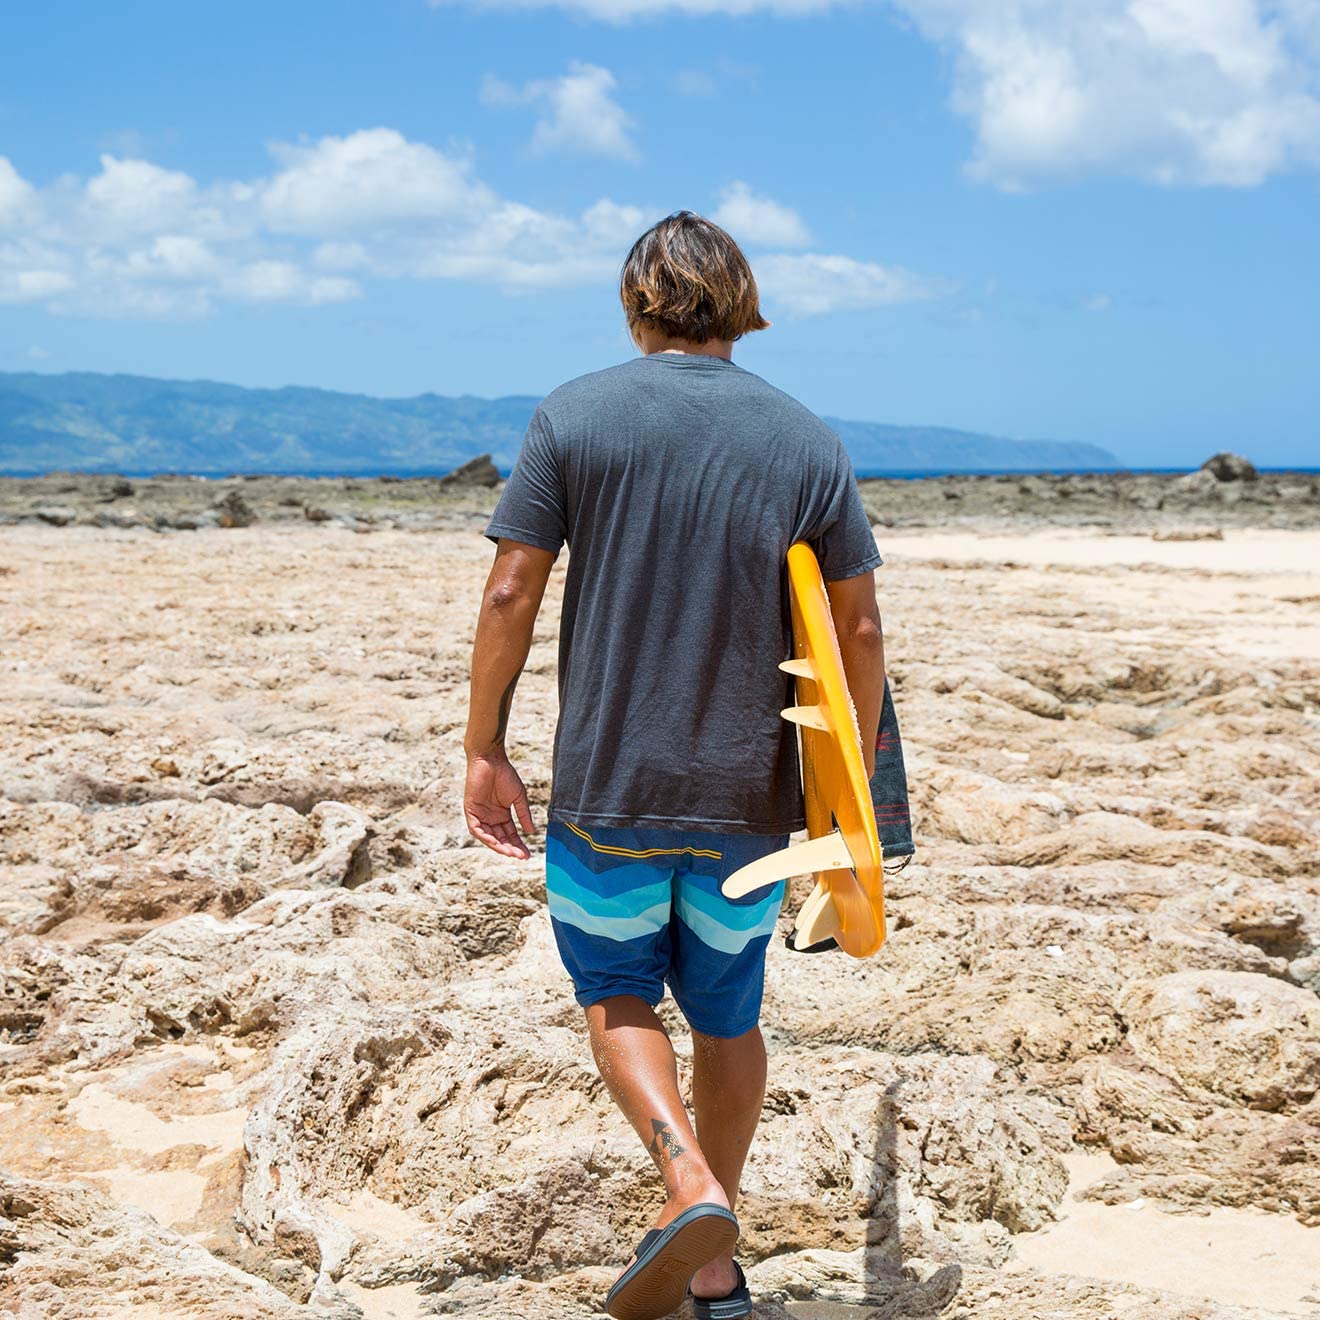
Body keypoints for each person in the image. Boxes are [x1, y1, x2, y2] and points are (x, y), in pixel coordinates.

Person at [463, 210, 886, 1320]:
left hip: (610, 784)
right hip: (751, 798)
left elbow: (512, 590)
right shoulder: (806, 440)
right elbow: (861, 636)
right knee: (728, 1013)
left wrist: (483, 744)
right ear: (741, 302)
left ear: (635, 302)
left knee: (615, 992)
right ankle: (713, 1262)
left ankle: (687, 1183)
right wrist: (847, 794)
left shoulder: (575, 416)